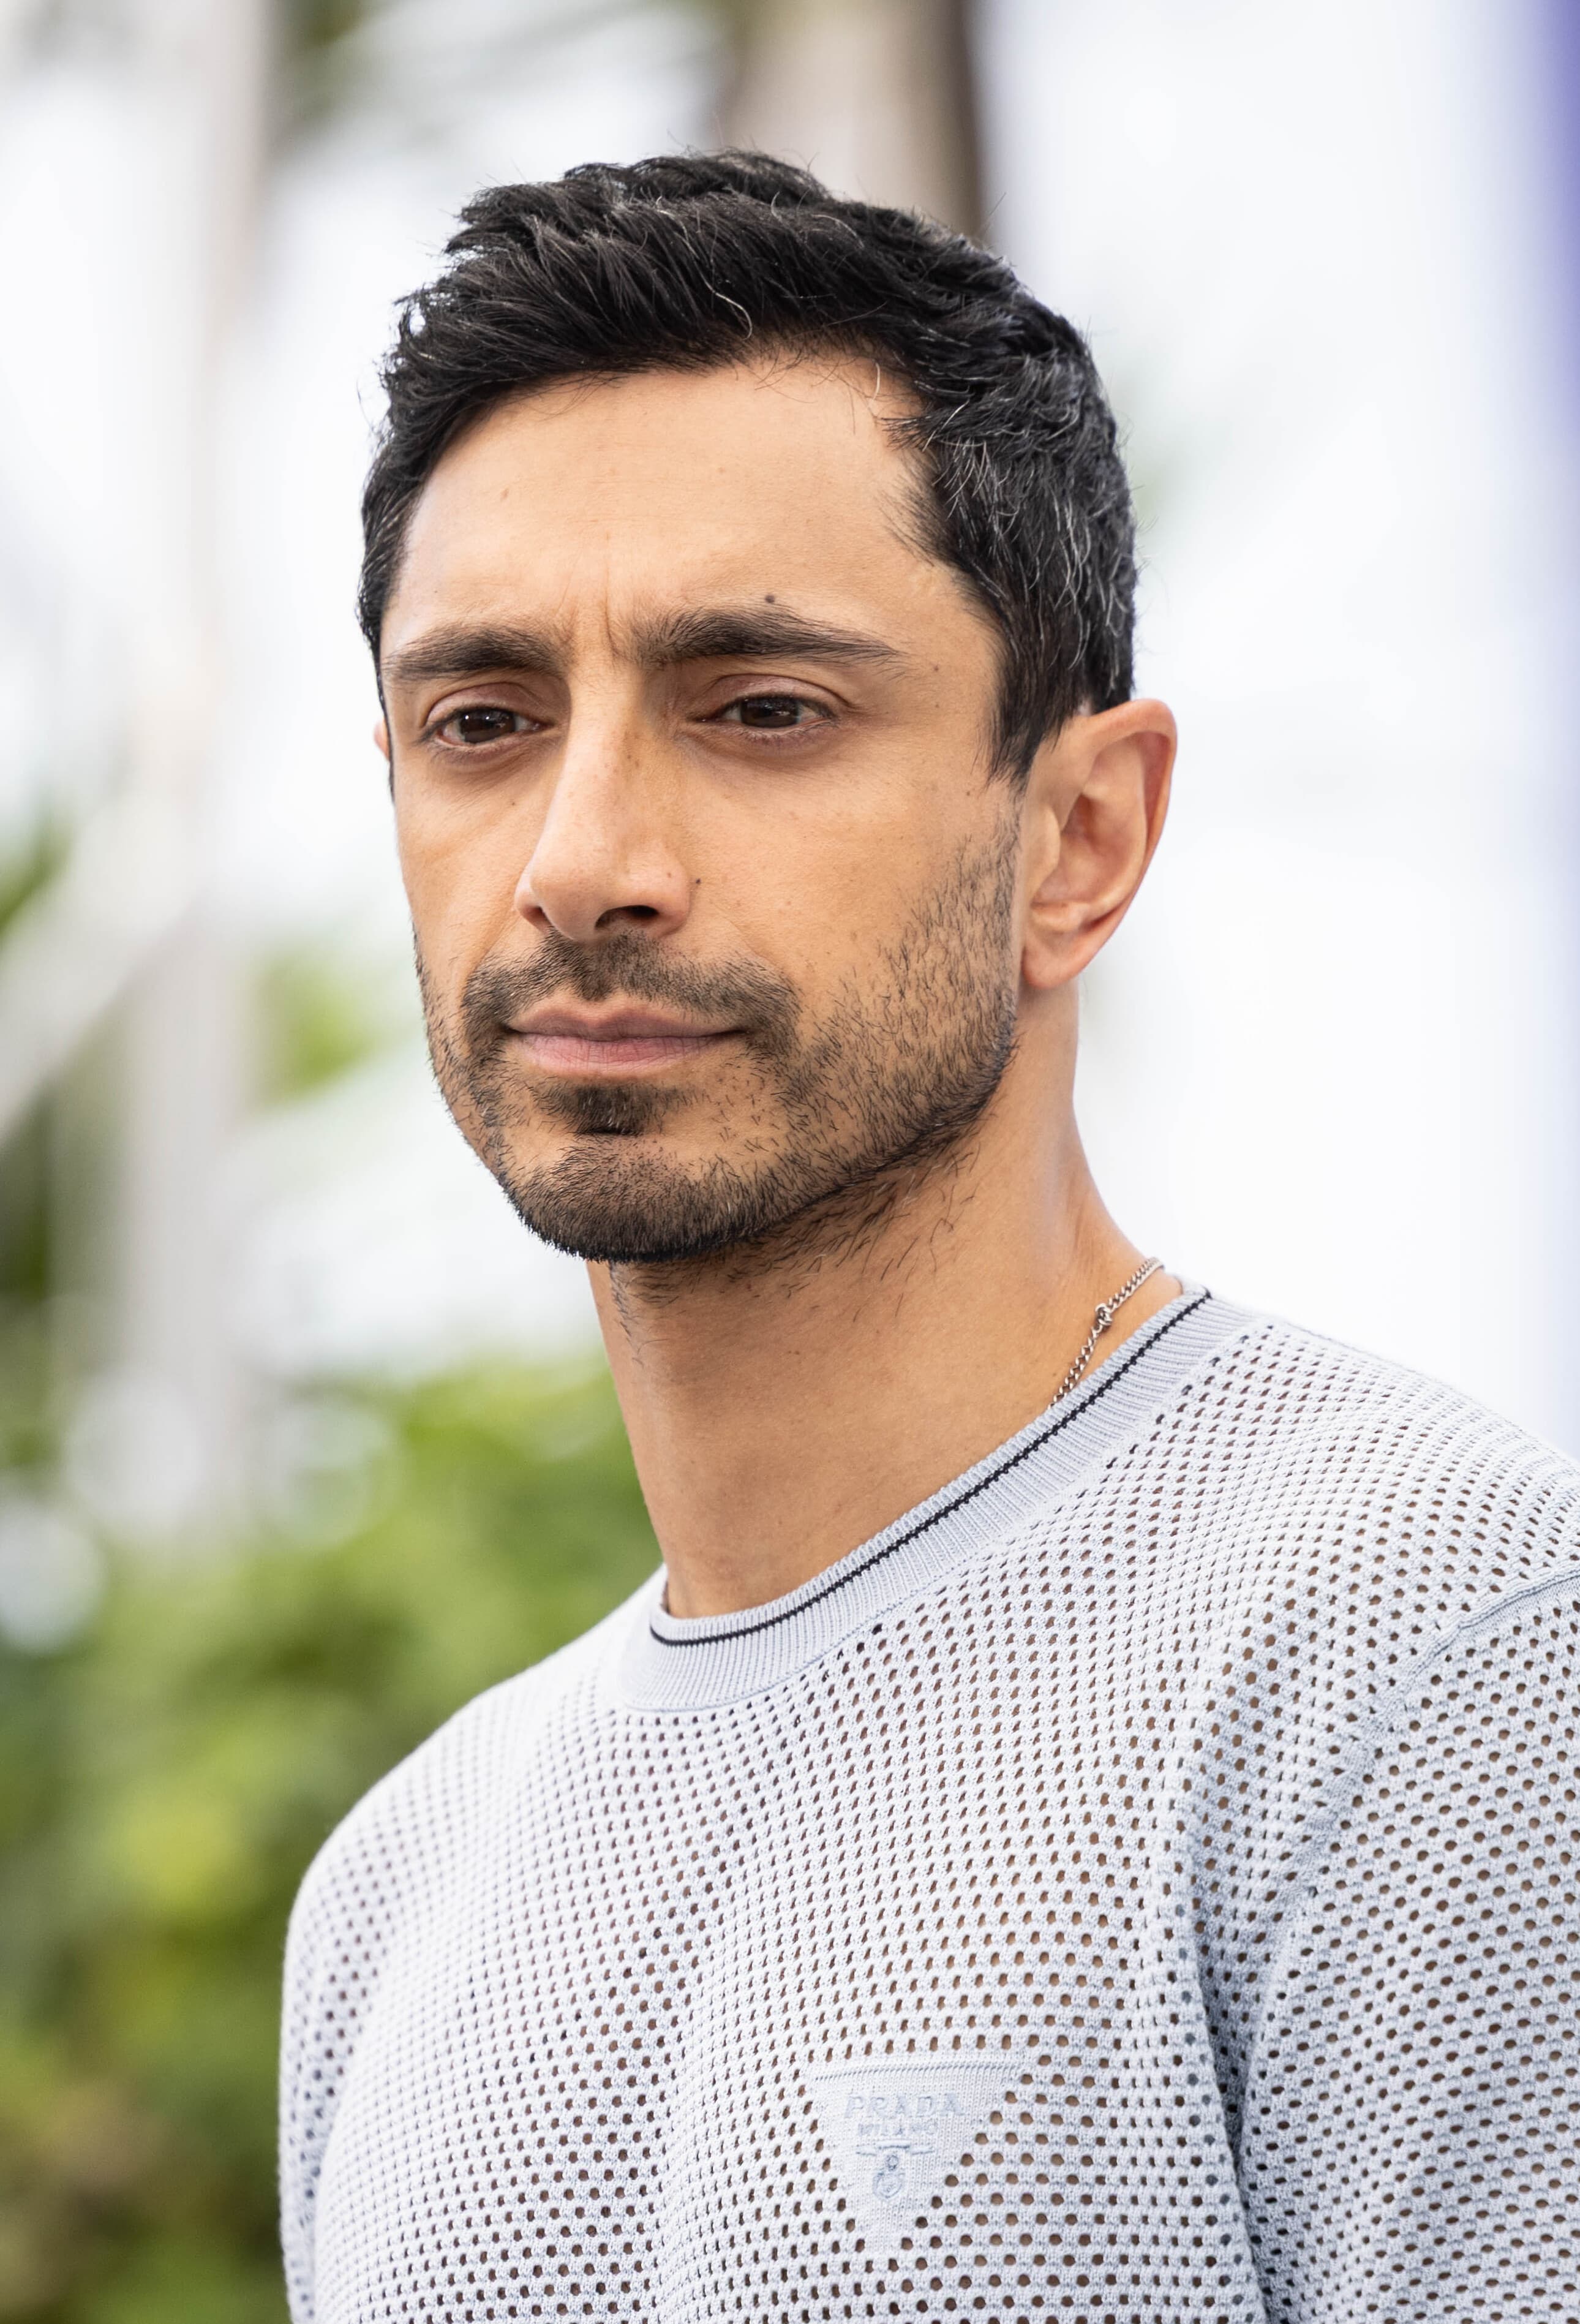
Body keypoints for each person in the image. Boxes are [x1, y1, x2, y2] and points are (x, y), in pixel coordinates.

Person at [279, 154, 1579, 2324]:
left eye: (761, 707)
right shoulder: (399, 1895)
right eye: (482, 723)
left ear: (1080, 836)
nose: (581, 859)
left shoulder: (1420, 1654)